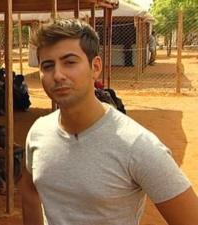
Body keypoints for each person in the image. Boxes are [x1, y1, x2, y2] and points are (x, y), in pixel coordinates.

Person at [22, 19, 198, 225]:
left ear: (95, 67)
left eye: (69, 62)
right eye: (48, 66)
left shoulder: (137, 145)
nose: (58, 74)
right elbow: (29, 192)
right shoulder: (38, 133)